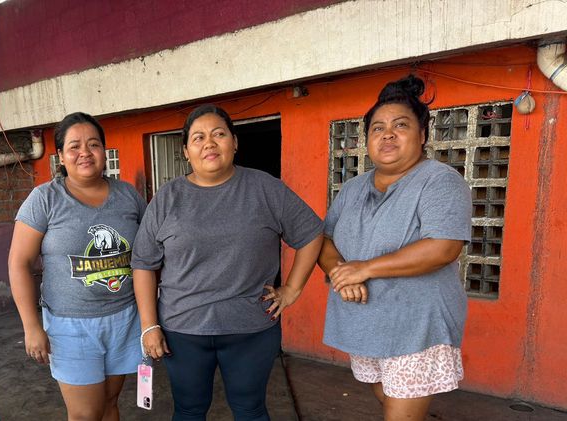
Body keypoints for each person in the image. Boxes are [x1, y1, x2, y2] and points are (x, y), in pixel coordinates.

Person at [132, 104, 323, 421]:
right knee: (189, 411)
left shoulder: (264, 188)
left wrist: (291, 289)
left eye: (219, 134)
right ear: (186, 151)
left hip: (250, 330)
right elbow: (143, 264)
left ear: (234, 142)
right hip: (183, 331)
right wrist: (149, 326)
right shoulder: (167, 197)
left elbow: (311, 234)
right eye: (198, 137)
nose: (209, 143)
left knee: (250, 410)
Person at [317, 75, 472, 421]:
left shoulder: (440, 181)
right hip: (366, 320)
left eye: (400, 125)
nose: (387, 134)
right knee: (385, 393)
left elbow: (443, 247)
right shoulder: (354, 188)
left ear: (422, 135)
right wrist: (341, 273)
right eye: (377, 128)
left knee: (400, 410)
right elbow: (324, 240)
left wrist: (365, 268)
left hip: (415, 324)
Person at [8, 112, 146, 421]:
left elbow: (148, 255)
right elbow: (19, 263)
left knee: (110, 403)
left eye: (93, 144)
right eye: (74, 146)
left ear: (104, 151)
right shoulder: (45, 199)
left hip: (124, 319)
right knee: (85, 414)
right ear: (60, 156)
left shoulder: (128, 196)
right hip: (70, 326)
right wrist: (31, 327)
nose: (85, 152)